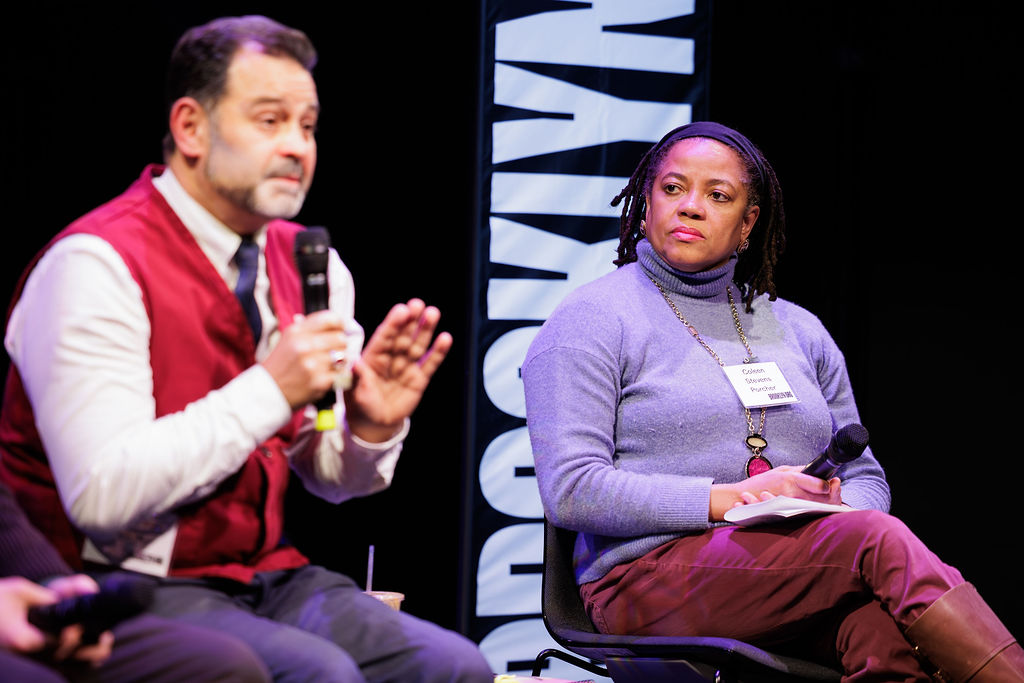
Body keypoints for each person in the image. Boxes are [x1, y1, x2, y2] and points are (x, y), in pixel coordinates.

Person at [0, 14, 492, 683]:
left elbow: (330, 478)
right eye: (270, 121)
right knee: (321, 674)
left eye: (307, 126)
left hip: (262, 574)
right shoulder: (97, 263)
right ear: (190, 128)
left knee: (455, 667)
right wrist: (271, 387)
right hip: (119, 579)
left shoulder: (311, 264)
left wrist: (369, 428)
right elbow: (103, 496)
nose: (297, 147)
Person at [521, 121, 1023, 681]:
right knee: (877, 541)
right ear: (646, 204)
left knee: (885, 636)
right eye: (673, 188)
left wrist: (835, 514)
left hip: (793, 566)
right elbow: (572, 490)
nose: (691, 207)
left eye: (718, 196)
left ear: (747, 223)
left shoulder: (798, 329)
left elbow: (864, 474)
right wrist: (733, 499)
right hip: (646, 578)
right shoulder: (592, 320)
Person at [1, 479, 272, 682]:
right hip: (171, 576)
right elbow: (99, 505)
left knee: (228, 666)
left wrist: (50, 581)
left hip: (265, 567)